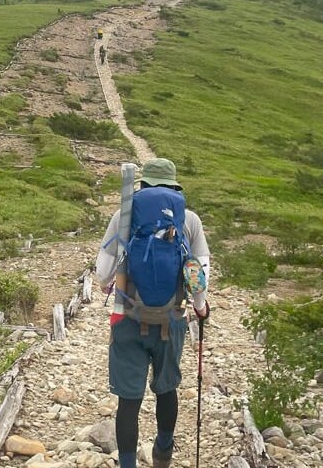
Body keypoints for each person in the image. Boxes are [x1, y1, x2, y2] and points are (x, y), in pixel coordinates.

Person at [96, 158, 211, 468]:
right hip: (172, 319)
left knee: (129, 401)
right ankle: (162, 451)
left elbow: (102, 274)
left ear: (142, 185)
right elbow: (198, 275)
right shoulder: (190, 220)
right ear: (174, 187)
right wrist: (200, 308)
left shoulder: (123, 216)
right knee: (166, 388)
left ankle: (128, 464)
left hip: (127, 319)